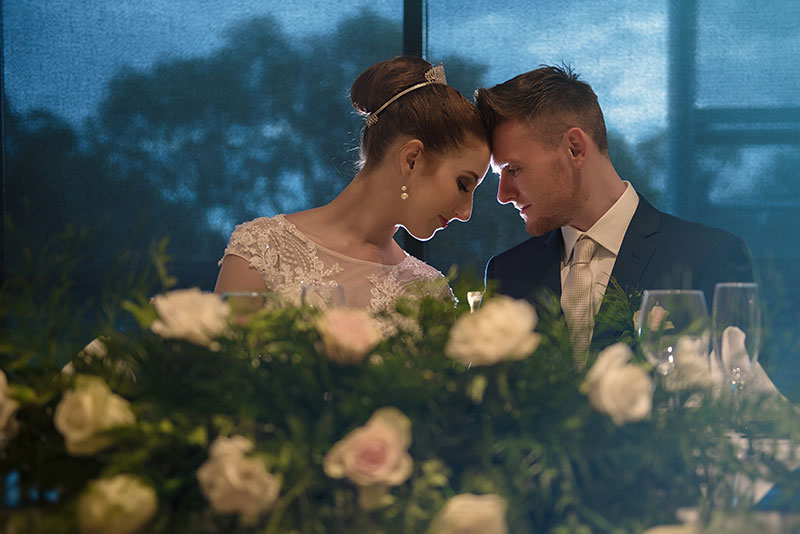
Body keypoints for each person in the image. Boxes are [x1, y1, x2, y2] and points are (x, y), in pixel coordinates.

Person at [474, 65, 753, 359]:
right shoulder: (506, 273)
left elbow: (742, 393)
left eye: (514, 170)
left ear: (575, 148)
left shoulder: (707, 258)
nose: (503, 195)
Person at [215, 55, 491, 315]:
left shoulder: (431, 293)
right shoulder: (262, 250)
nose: (466, 213)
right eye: (463, 185)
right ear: (412, 160)